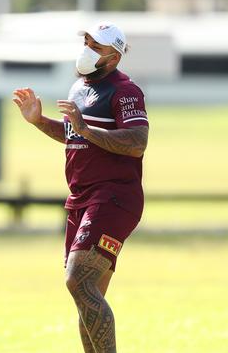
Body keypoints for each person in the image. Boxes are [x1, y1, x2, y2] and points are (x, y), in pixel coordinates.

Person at [13, 22, 149, 353]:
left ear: (115, 56)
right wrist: (40, 121)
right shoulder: (79, 88)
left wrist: (85, 130)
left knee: (78, 280)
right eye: (86, 41)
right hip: (81, 199)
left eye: (96, 46)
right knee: (88, 296)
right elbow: (74, 133)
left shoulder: (125, 91)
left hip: (114, 197)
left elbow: (137, 141)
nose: (87, 49)